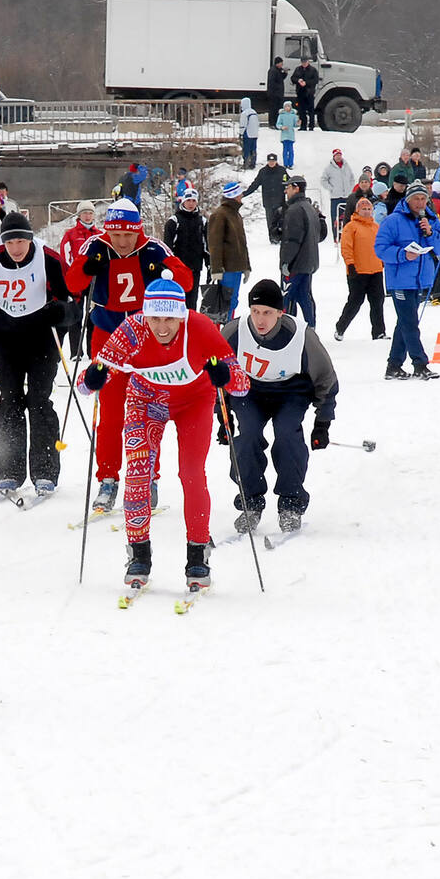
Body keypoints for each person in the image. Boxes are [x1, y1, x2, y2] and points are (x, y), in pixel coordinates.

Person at [77, 277, 249, 594]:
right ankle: (138, 553)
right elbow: (87, 383)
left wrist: (223, 374)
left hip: (193, 403)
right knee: (139, 472)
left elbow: (240, 382)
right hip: (146, 401)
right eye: (155, 318)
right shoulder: (133, 330)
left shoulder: (199, 328)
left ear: (181, 316)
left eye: (169, 318)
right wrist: (93, 377)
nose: (162, 326)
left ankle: (198, 553)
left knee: (192, 473)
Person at [66, 200, 194, 513]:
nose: (122, 241)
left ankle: (149, 476)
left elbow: (187, 281)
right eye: (116, 234)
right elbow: (72, 285)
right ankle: (108, 478)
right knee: (110, 412)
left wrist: (166, 273)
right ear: (107, 229)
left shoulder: (153, 248)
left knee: (150, 412)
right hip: (107, 337)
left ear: (138, 230)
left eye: (129, 234)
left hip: (148, 340)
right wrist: (86, 267)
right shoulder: (96, 246)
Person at [0, 212, 72, 503]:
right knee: (10, 400)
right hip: (4, 339)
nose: (16, 247)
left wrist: (63, 313)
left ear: (30, 239)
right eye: (10, 242)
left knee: (40, 401)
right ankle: (9, 471)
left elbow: (71, 297)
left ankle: (45, 471)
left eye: (21, 240)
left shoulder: (48, 258)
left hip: (42, 339)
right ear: (1, 241)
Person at [221, 279, 340, 534]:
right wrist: (222, 418)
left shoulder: (302, 335)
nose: (260, 320)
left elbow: (326, 379)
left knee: (287, 434)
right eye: (255, 312)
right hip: (249, 391)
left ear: (280, 312)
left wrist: (322, 423)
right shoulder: (234, 332)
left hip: (291, 391)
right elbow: (215, 376)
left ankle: (291, 503)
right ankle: (250, 501)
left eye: (267, 313)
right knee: (248, 435)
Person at [374, 182, 440, 379]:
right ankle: (420, 363)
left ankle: (393, 365)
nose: (420, 203)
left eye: (423, 199)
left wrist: (430, 234)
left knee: (405, 323)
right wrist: (402, 254)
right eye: (416, 199)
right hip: (400, 280)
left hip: (420, 280)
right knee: (410, 323)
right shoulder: (393, 221)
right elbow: (380, 249)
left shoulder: (431, 220)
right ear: (407, 200)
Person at [334, 195, 386, 341]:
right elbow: (346, 247)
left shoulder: (376, 227)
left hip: (375, 270)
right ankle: (341, 327)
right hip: (357, 271)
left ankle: (379, 332)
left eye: (369, 209)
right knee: (355, 302)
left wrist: (382, 260)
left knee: (377, 302)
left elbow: (381, 245)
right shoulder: (351, 227)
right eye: (364, 209)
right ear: (357, 210)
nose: (367, 211)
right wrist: (350, 264)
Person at [278, 176, 323, 328]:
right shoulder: (309, 207)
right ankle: (311, 326)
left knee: (286, 297)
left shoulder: (295, 209)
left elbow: (292, 239)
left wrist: (286, 262)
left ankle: (285, 329)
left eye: (288, 187)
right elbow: (320, 235)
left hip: (295, 264)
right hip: (308, 261)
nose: (286, 190)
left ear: (296, 188)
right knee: (304, 296)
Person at [206, 181, 250, 321]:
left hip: (236, 268)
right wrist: (216, 269)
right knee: (224, 304)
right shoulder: (220, 215)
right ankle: (223, 335)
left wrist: (246, 266)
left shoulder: (236, 215)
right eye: (239, 193)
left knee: (232, 302)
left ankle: (227, 331)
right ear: (234, 195)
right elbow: (215, 244)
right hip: (226, 269)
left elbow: (242, 243)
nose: (242, 195)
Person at [163, 190, 208, 311]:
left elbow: (206, 245)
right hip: (179, 268)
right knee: (178, 299)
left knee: (192, 302)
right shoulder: (174, 221)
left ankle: (190, 326)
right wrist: (168, 266)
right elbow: (167, 247)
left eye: (194, 200)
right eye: (188, 200)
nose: (191, 203)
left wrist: (209, 263)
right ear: (183, 201)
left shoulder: (202, 221)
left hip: (195, 267)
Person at [243, 152, 288, 244]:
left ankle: (282, 238)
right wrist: (245, 193)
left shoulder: (282, 171)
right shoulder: (263, 172)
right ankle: (273, 239)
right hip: (268, 202)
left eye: (273, 161)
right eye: (270, 161)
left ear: (276, 161)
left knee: (282, 221)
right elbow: (255, 184)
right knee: (271, 221)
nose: (271, 163)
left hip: (280, 201)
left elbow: (288, 181)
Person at [320, 147, 355, 236]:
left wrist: (350, 188)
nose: (338, 157)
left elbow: (352, 178)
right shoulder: (329, 168)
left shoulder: (347, 166)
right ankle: (336, 236)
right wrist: (331, 188)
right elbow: (323, 180)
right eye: (337, 155)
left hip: (346, 196)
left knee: (347, 216)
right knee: (335, 217)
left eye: (340, 155)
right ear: (334, 156)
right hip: (335, 197)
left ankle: (347, 234)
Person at [290, 58, 320, 130]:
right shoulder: (298, 69)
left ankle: (311, 126)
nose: (304, 64)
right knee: (301, 110)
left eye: (305, 62)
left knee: (311, 110)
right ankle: (303, 125)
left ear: (308, 62)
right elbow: (293, 78)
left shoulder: (313, 70)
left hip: (309, 92)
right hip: (300, 92)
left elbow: (315, 80)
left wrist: (306, 83)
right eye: (302, 62)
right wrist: (298, 80)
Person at [265, 57, 288, 127]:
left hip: (278, 93)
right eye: (281, 63)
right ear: (277, 63)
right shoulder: (273, 70)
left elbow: (281, 78)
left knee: (278, 109)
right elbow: (272, 82)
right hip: (274, 94)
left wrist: (285, 73)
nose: (282, 65)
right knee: (273, 109)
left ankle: (276, 123)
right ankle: (272, 123)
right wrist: (276, 90)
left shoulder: (279, 70)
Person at [276, 100, 298, 169]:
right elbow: (278, 124)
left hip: (291, 135)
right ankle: (285, 163)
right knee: (285, 150)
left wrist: (297, 124)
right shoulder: (281, 115)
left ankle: (290, 163)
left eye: (288, 106)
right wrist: (282, 127)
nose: (287, 108)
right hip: (284, 135)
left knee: (291, 150)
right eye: (286, 106)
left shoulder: (293, 115)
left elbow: (295, 125)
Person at [239, 98, 260, 169]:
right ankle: (253, 163)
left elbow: (243, 124)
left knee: (246, 149)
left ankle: (246, 163)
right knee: (253, 149)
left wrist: (241, 133)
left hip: (247, 134)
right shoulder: (254, 112)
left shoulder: (244, 113)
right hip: (255, 134)